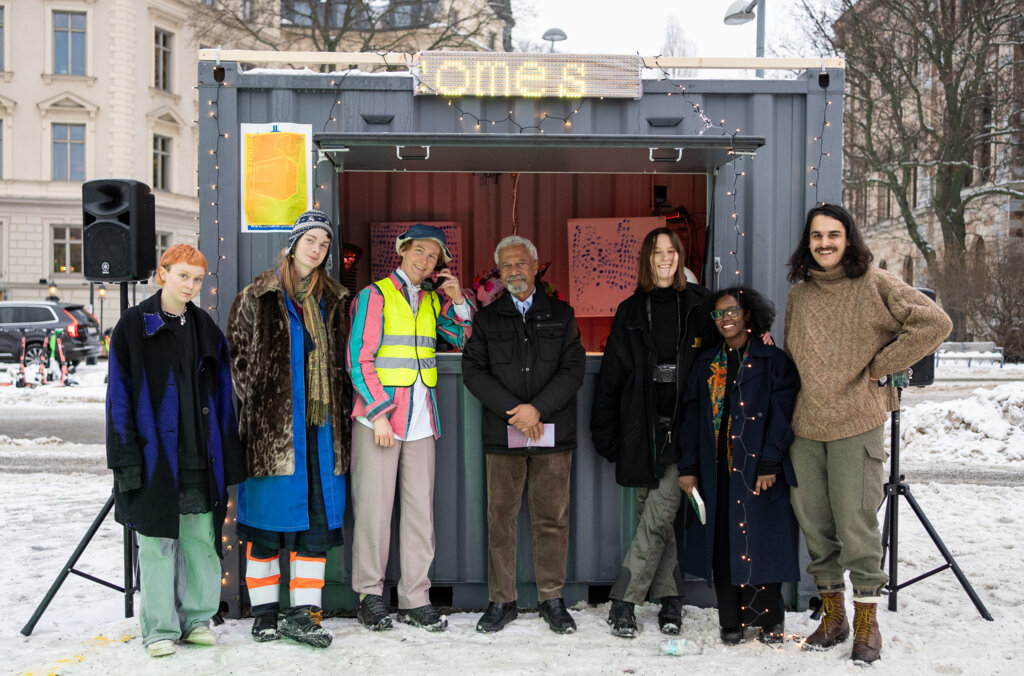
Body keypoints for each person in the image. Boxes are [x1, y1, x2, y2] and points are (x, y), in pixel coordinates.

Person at [784, 203, 952, 663]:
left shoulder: (875, 283)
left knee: (856, 525)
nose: (825, 244)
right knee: (817, 528)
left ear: (848, 238)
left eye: (833, 235)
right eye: (817, 236)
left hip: (856, 422)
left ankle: (866, 623)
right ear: (808, 243)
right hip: (805, 426)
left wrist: (882, 366)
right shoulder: (800, 295)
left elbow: (935, 322)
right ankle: (833, 616)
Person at [106, 244, 243, 658]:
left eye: (198, 279)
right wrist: (125, 460)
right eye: (183, 275)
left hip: (201, 455)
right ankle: (159, 629)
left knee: (201, 539)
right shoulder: (133, 325)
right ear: (162, 274)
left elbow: (223, 397)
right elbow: (118, 400)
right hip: (153, 459)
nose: (191, 285)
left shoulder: (205, 326)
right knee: (155, 543)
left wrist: (229, 453)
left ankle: (198, 619)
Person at [227, 210, 351, 649]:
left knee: (313, 533)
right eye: (310, 240)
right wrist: (265, 404)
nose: (316, 249)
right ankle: (263, 615)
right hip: (272, 435)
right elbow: (237, 359)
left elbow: (345, 364)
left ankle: (304, 613)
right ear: (293, 243)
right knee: (264, 530)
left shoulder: (335, 301)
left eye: (324, 243)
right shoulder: (256, 295)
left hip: (321, 434)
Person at [347, 224, 474, 632]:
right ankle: (370, 595)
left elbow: (462, 338)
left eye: (433, 257)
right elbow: (359, 359)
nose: (424, 261)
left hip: (421, 420)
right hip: (380, 419)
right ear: (402, 251)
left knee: (421, 514)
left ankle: (415, 597)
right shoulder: (374, 296)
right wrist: (379, 411)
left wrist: (459, 301)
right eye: (419, 251)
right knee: (374, 511)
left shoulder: (434, 301)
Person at [462, 235, 585, 635]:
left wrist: (539, 409)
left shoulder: (562, 315)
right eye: (506, 266)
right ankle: (503, 601)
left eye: (520, 264)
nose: (513, 272)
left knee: (553, 519)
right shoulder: (486, 319)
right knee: (501, 519)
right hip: (505, 436)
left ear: (535, 267)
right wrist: (515, 413)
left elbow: (573, 370)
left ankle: (552, 598)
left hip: (553, 434)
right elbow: (474, 372)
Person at [590, 227, 709, 637]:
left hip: (684, 431)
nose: (664, 257)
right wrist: (604, 433)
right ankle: (672, 601)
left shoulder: (700, 305)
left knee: (657, 519)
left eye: (671, 250)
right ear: (647, 258)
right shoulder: (631, 310)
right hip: (640, 431)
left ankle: (623, 602)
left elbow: (726, 349)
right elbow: (612, 378)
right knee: (653, 520)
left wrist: (758, 333)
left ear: (679, 256)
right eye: (657, 251)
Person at [677, 287, 801, 646]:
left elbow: (782, 414)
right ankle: (730, 621)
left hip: (758, 469)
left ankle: (769, 620)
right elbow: (690, 419)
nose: (726, 318)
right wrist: (688, 466)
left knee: (762, 541)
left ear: (747, 314)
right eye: (718, 314)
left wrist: (769, 461)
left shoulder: (771, 361)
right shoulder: (706, 364)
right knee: (723, 546)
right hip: (717, 471)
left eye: (732, 311)